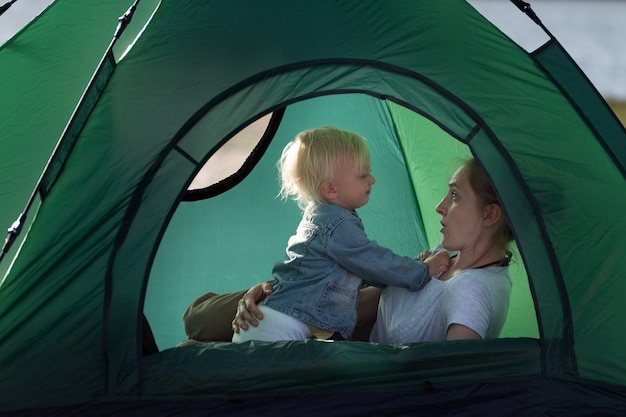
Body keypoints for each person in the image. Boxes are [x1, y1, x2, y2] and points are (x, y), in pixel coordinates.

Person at [230, 157, 514, 343]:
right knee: (201, 315)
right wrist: (281, 289)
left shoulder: (471, 291)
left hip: (339, 334)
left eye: (454, 195)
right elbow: (377, 288)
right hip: (327, 305)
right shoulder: (449, 253)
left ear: (490, 215)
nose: (440, 206)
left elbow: (457, 382)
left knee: (196, 342)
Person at [230, 126, 450, 343]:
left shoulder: (323, 214)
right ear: (331, 190)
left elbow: (369, 269)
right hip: (272, 331)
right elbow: (374, 261)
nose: (372, 180)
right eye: (363, 175)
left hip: (270, 322)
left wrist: (412, 266)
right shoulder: (338, 224)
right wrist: (423, 271)